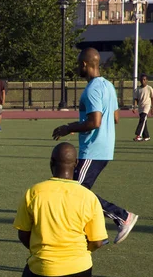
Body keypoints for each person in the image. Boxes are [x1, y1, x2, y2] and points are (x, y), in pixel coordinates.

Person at [52, 47, 138, 243]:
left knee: (76, 192)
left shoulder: (91, 89)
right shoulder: (108, 86)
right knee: (77, 192)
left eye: (78, 64)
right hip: (104, 147)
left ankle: (123, 217)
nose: (77, 67)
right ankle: (93, 235)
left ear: (84, 64)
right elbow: (114, 118)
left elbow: (95, 122)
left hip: (93, 149)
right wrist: (80, 126)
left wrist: (69, 127)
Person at [14, 142, 108, 277]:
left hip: (44, 266)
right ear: (76, 163)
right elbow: (98, 242)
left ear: (51, 162)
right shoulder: (88, 197)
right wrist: (82, 252)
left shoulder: (34, 192)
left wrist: (37, 250)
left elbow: (23, 234)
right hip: (80, 267)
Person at [132, 73, 153, 142]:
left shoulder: (149, 88)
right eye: (141, 80)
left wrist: (152, 108)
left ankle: (138, 135)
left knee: (143, 119)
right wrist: (134, 107)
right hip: (140, 107)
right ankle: (146, 136)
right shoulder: (137, 89)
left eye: (144, 79)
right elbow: (135, 99)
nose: (143, 81)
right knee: (143, 120)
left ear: (147, 80)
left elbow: (152, 98)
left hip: (147, 106)